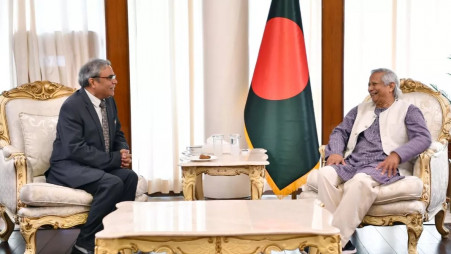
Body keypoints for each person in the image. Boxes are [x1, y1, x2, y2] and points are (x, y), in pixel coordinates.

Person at [317, 68, 431, 254]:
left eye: (374, 84)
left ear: (391, 86)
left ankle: (333, 242)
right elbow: (340, 131)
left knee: (359, 182)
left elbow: (423, 138)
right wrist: (335, 152)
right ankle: (341, 240)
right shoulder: (360, 109)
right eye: (369, 84)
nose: (370, 88)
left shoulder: (408, 110)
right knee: (324, 174)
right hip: (352, 162)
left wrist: (397, 155)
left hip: (381, 165)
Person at [45, 59, 138, 254]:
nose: (115, 81)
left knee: (130, 177)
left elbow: (118, 133)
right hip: (69, 165)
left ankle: (117, 236)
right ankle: (84, 242)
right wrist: (115, 159)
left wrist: (123, 151)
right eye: (110, 77)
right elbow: (75, 149)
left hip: (94, 164)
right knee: (111, 183)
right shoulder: (72, 106)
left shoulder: (108, 101)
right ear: (92, 81)